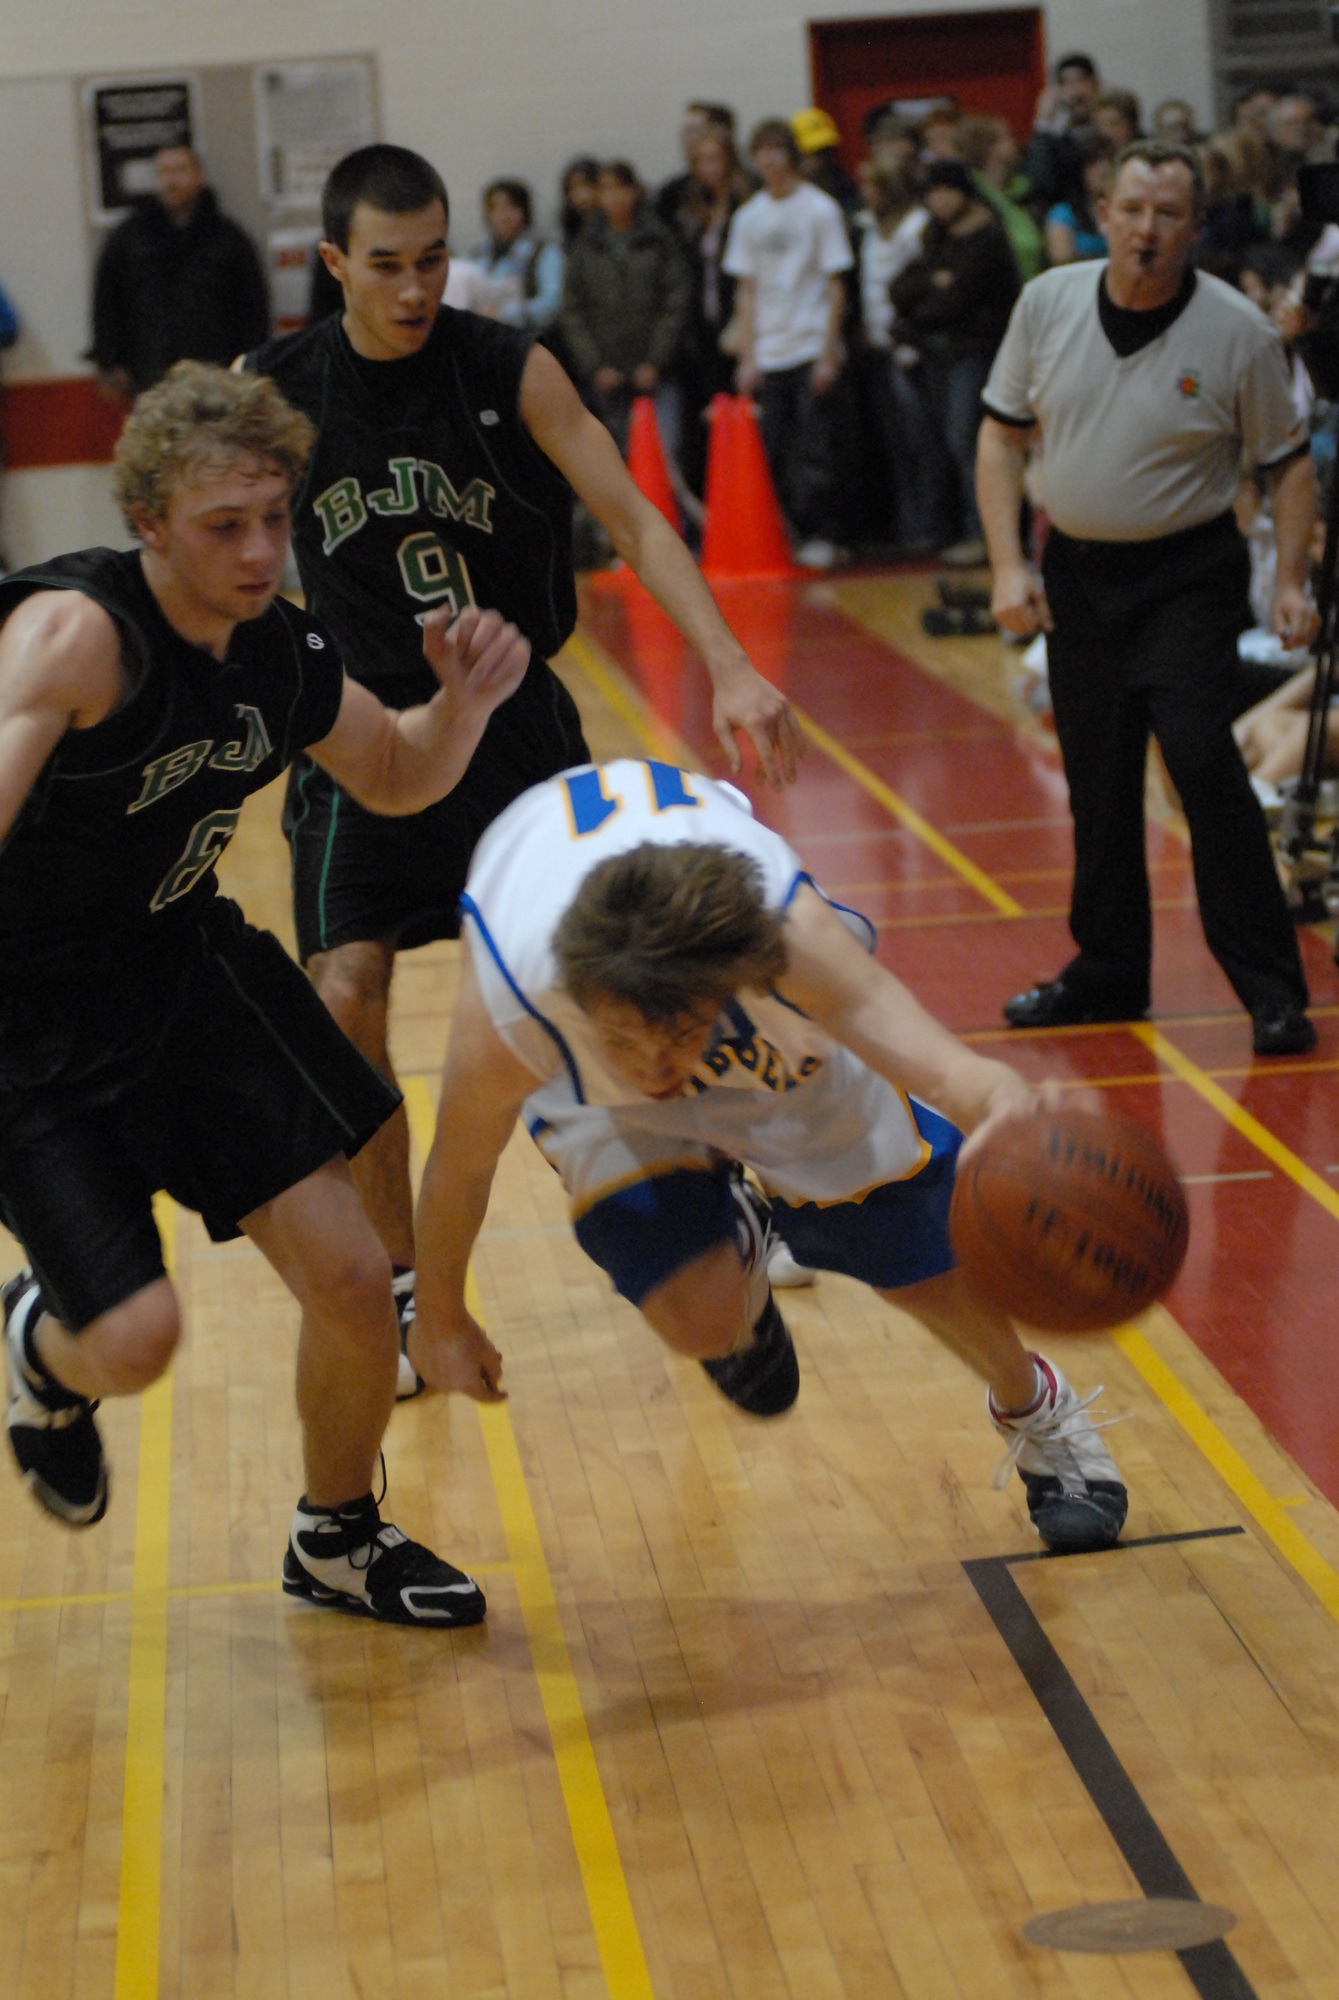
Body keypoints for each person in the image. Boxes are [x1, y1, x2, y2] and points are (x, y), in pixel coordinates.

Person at [243, 144, 800, 1389]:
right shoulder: (273, 387)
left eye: (432, 258)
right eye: (386, 264)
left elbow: (637, 516)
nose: (414, 287)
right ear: (333, 262)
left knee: (603, 992)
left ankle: (706, 1219)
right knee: (345, 992)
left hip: (510, 729)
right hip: (362, 726)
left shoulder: (507, 368)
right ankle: (400, 1286)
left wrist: (728, 662)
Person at [0, 361, 532, 1625]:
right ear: (147, 522)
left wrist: (461, 706)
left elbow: (392, 773)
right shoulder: (78, 637)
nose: (256, 552)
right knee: (134, 1341)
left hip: (183, 972)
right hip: (28, 1018)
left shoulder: (280, 645)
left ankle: (337, 1535)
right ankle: (38, 1349)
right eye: (222, 525)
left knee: (352, 1276)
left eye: (275, 519)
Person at [407, 757, 1131, 1558]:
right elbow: (459, 1167)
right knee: (698, 1322)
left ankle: (1032, 1404)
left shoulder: (791, 945)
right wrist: (438, 1316)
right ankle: (737, 1228)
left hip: (754, 1023)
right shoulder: (514, 1011)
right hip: (593, 1065)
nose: (655, 1071)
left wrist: (1011, 1112)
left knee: (914, 1262)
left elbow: (951, 1071)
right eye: (626, 1043)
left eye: (677, 1037)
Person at [978, 142, 1320, 1057]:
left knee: (1202, 760)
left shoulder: (1237, 331)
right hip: (1078, 576)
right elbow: (1000, 437)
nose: (1145, 230)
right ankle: (1107, 973)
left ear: (1195, 227)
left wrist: (1290, 581)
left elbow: (1286, 466)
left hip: (1186, 576)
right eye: (1130, 210)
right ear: (1103, 213)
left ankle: (1270, 990)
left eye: (1167, 214)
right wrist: (1006, 566)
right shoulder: (1046, 303)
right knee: (1096, 777)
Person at [724, 118, 854, 570]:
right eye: (761, 151)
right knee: (774, 448)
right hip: (769, 349)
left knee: (816, 448)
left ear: (792, 156)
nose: (769, 160)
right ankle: (787, 533)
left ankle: (825, 534)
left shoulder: (819, 209)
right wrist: (747, 355)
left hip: (809, 343)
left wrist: (829, 351)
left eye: (776, 150)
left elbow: (836, 285)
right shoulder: (748, 216)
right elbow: (745, 290)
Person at [890, 160, 1019, 566]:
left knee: (968, 441)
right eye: (934, 192)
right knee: (941, 443)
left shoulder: (987, 236)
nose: (940, 200)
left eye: (947, 190)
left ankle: (984, 533)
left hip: (975, 352)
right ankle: (951, 528)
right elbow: (900, 287)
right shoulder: (935, 235)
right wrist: (934, 283)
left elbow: (958, 299)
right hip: (940, 353)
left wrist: (927, 296)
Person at [91, 146, 270, 398]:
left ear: (199, 177)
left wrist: (251, 365)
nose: (171, 181)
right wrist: (109, 360)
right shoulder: (128, 240)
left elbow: (253, 310)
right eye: (164, 172)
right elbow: (107, 302)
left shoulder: (229, 240)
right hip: (149, 374)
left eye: (180, 170)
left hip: (217, 377)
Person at [558, 161, 690, 461]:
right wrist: (594, 364)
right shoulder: (585, 245)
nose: (615, 197)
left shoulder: (659, 239)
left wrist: (656, 360)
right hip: (607, 374)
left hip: (657, 372)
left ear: (635, 191)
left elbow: (675, 302)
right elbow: (572, 310)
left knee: (665, 452)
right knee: (614, 457)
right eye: (606, 189)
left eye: (621, 188)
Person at [470, 179, 564, 335]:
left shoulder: (544, 252)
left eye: (510, 207)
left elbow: (552, 302)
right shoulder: (476, 255)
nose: (502, 216)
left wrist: (506, 314)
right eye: (494, 208)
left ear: (524, 212)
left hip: (526, 337)